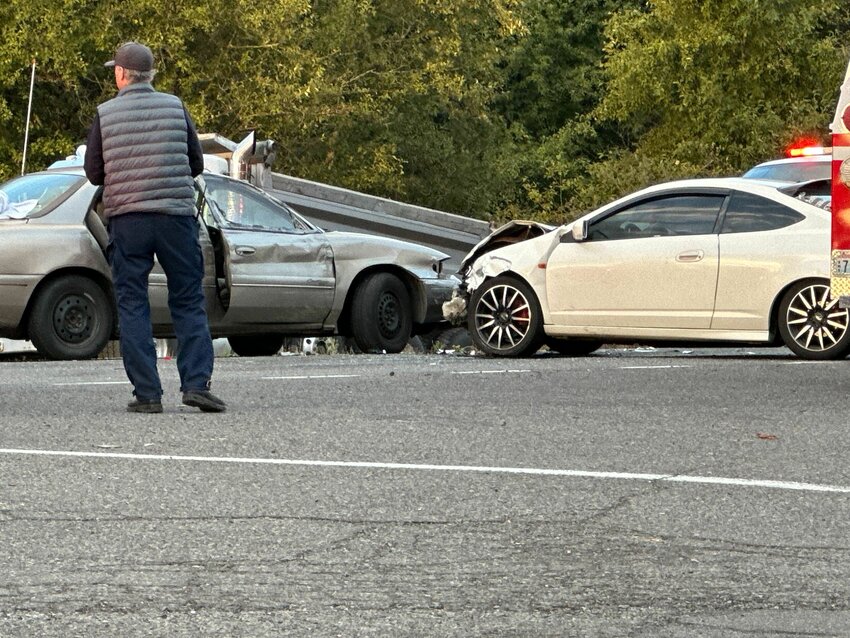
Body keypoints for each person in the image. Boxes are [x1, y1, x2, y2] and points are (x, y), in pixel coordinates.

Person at [84, 41, 226, 414]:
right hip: (175, 217)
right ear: (150, 76)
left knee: (132, 301)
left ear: (120, 74)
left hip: (128, 220)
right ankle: (197, 384)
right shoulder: (176, 107)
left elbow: (93, 173)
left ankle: (147, 393)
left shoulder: (105, 114)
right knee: (188, 298)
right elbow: (196, 163)